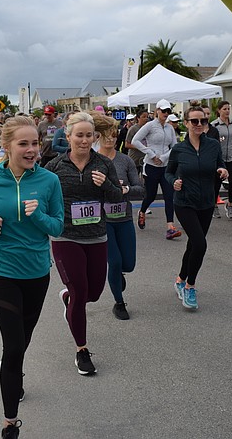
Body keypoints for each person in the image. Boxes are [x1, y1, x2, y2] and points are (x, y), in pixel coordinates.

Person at [0, 116, 64, 439]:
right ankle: (10, 422)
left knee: (22, 342)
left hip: (37, 273)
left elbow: (58, 227)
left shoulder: (49, 181)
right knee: (14, 343)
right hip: (1, 272)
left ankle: (14, 373)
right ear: (6, 147)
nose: (32, 149)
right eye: (24, 144)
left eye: (35, 143)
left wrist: (39, 216)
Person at [45, 112, 122, 376]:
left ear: (95, 137)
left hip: (97, 235)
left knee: (94, 293)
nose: (84, 140)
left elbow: (118, 198)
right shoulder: (55, 167)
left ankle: (67, 297)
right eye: (79, 135)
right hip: (65, 236)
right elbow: (42, 196)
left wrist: (107, 184)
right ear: (67, 136)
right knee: (80, 291)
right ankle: (82, 350)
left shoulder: (102, 164)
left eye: (89, 135)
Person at [165, 107, 228, 309]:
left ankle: (180, 278)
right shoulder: (179, 149)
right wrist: (174, 181)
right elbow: (169, 173)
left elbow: (221, 164)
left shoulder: (213, 146)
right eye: (194, 121)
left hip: (207, 202)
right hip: (184, 202)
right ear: (186, 123)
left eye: (202, 121)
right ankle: (190, 287)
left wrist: (223, 170)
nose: (199, 124)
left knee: (194, 244)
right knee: (200, 244)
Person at [94, 113, 144, 321]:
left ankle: (119, 275)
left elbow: (140, 190)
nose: (110, 139)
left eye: (113, 135)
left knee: (128, 264)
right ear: (98, 137)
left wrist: (124, 191)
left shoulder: (125, 161)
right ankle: (119, 302)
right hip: (103, 222)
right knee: (113, 262)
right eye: (106, 136)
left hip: (123, 218)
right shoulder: (93, 160)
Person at [131, 99, 181, 240]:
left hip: (165, 166)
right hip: (151, 167)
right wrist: (151, 154)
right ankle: (142, 211)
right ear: (157, 111)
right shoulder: (150, 126)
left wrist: (164, 157)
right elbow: (135, 141)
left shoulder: (170, 128)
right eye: (163, 111)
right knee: (151, 195)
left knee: (169, 196)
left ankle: (170, 227)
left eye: (168, 111)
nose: (166, 113)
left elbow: (175, 147)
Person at [212, 100, 232, 220]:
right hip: (219, 159)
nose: (227, 111)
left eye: (228, 109)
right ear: (219, 111)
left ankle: (230, 204)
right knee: (216, 184)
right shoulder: (214, 125)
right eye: (225, 109)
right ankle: (214, 205)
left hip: (231, 157)